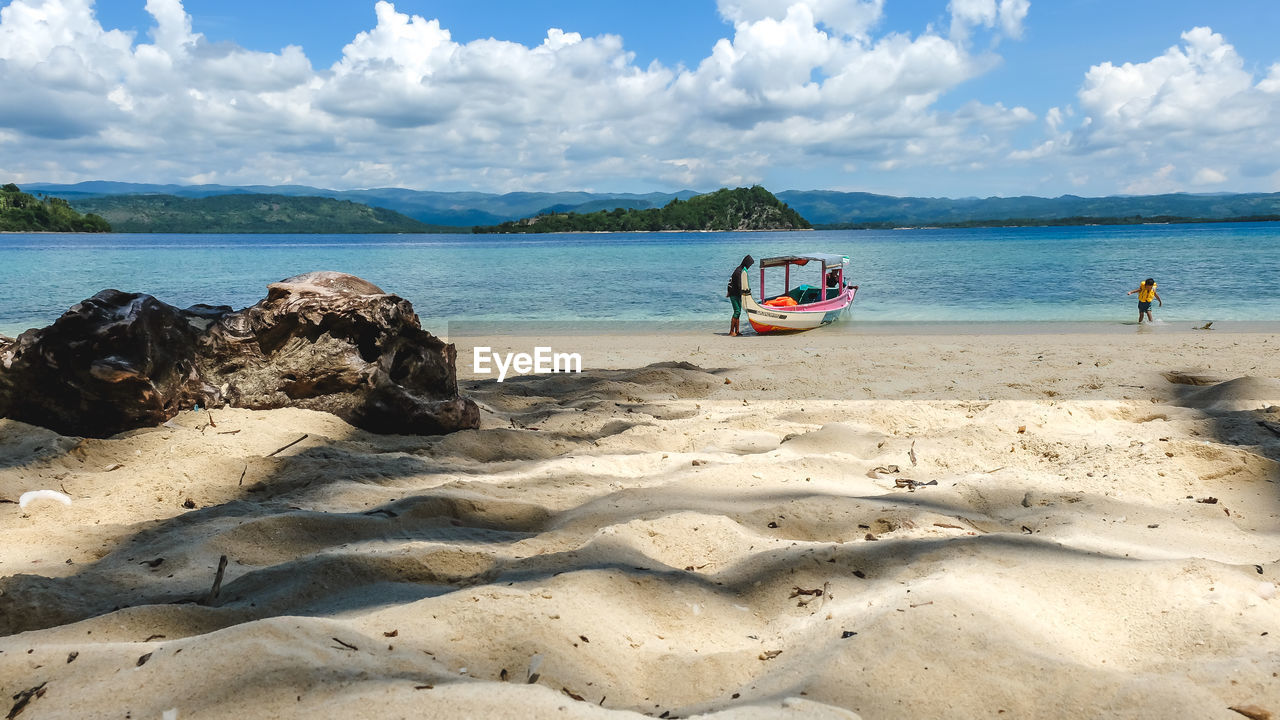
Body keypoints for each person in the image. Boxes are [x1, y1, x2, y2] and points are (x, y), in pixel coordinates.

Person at [726, 255, 754, 336]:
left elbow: (731, 282)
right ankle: (731, 331)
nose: (749, 266)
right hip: (734, 294)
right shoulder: (739, 272)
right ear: (746, 263)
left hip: (736, 293)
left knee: (738, 312)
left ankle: (737, 331)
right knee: (737, 311)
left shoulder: (740, 270)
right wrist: (745, 293)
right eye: (749, 265)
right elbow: (738, 285)